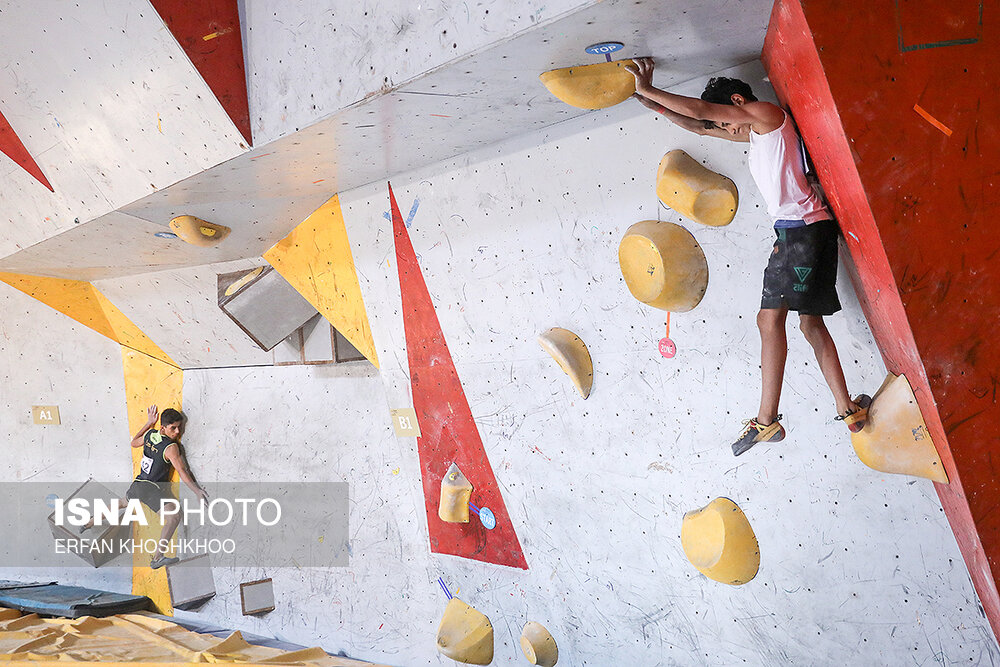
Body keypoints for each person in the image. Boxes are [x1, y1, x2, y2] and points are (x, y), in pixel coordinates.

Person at [625, 57, 870, 456]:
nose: (726, 130)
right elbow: (698, 122)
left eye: (727, 120)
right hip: (807, 230)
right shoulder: (759, 134)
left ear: (738, 101)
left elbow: (705, 112)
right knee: (809, 325)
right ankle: (848, 412)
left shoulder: (767, 115)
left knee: (769, 318)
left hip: (801, 230)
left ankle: (766, 421)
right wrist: (649, 103)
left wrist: (652, 87)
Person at [81, 406, 208, 568]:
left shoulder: (150, 434)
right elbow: (182, 470)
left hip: (138, 484)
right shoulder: (171, 447)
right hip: (151, 489)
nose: (177, 432)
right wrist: (196, 490)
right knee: (174, 517)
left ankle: (89, 523)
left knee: (121, 503)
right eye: (173, 428)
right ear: (163, 427)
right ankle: (157, 558)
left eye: (179, 428)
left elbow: (134, 442)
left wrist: (149, 423)